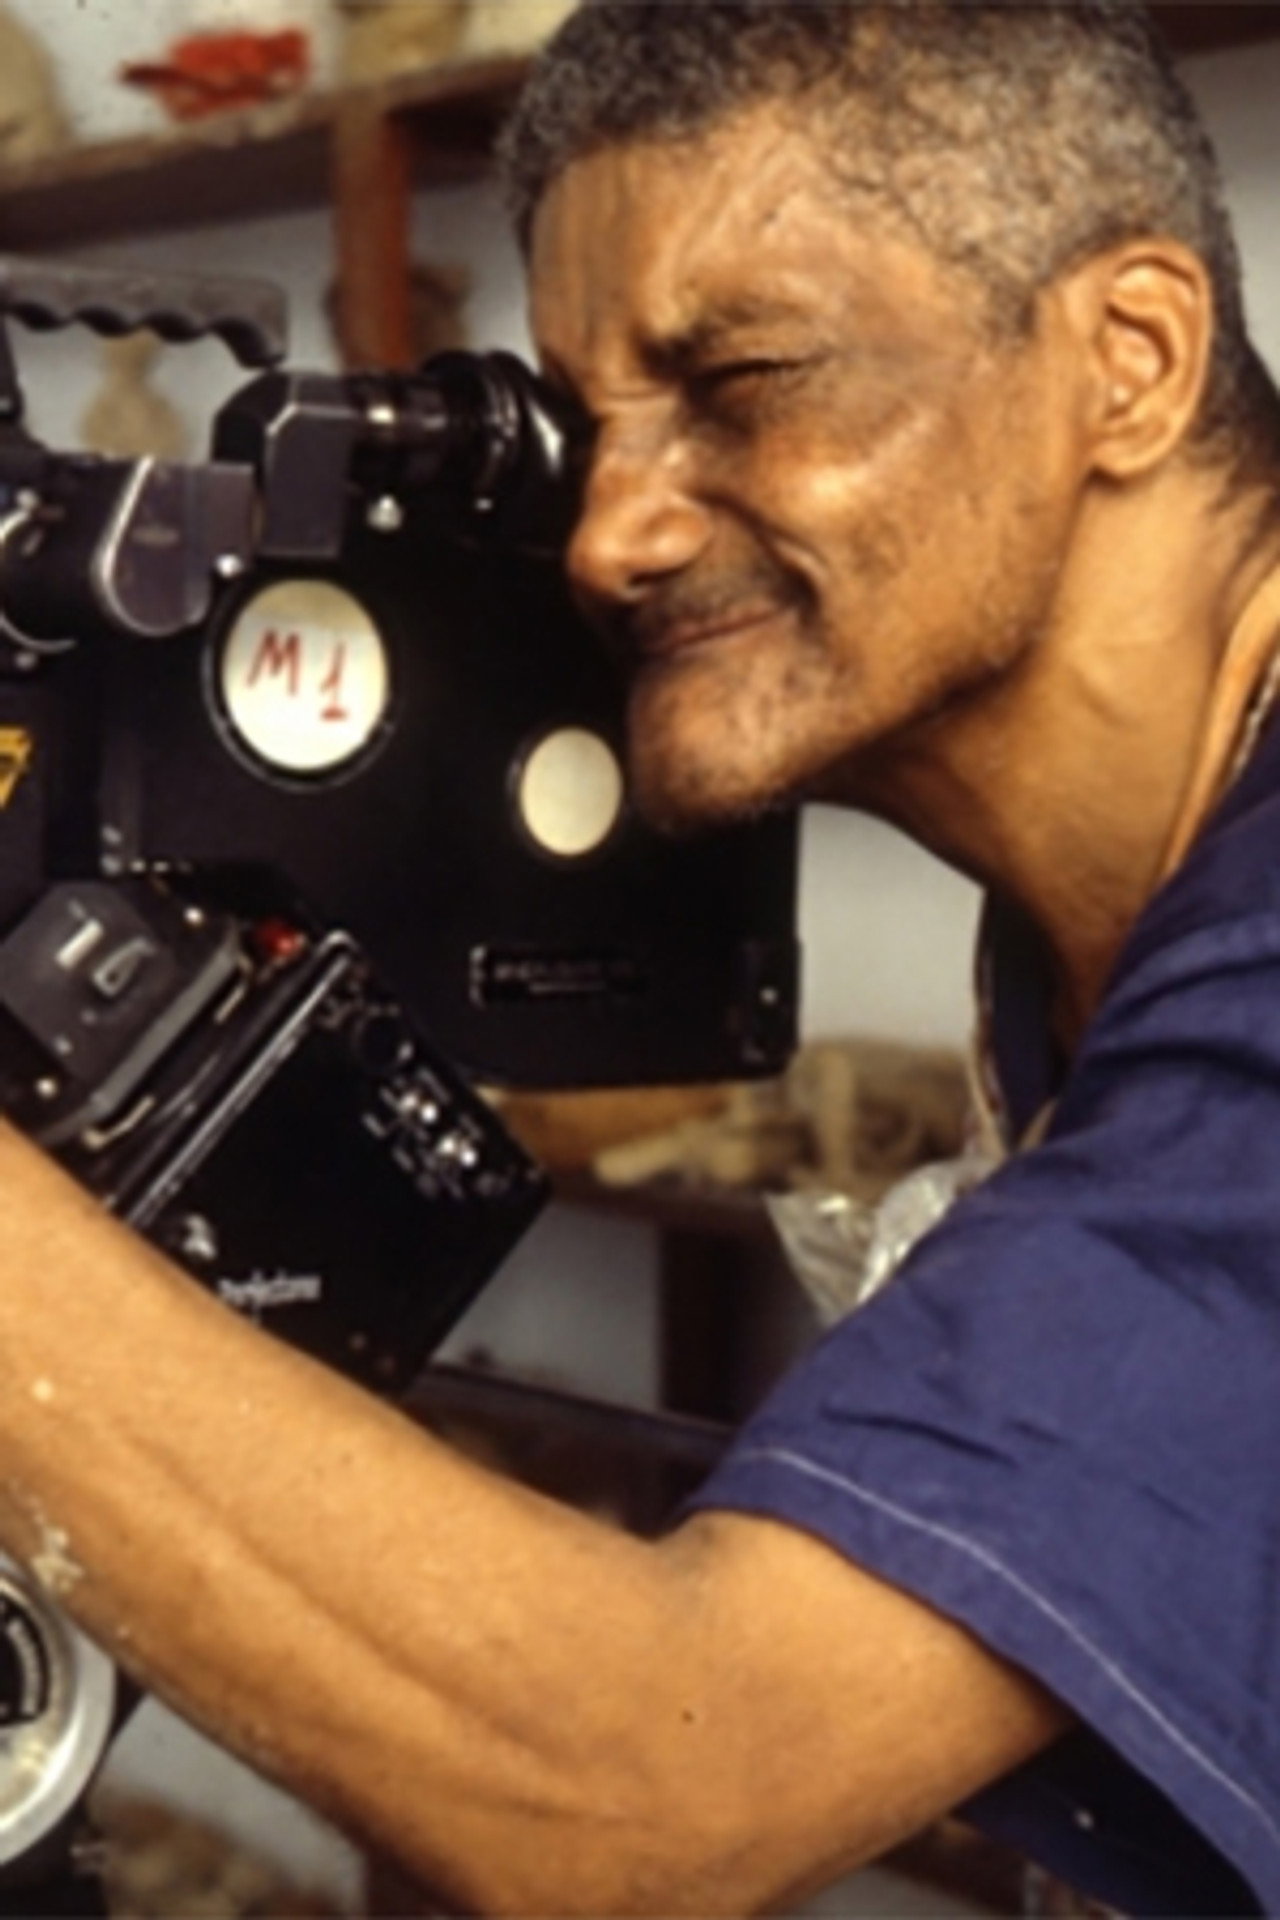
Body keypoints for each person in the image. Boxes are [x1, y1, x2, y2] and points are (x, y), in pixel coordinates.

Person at [0, 0, 1277, 1912]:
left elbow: (661, 1783)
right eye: (588, 428)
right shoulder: (1103, 894)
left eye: (745, 382)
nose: (609, 535)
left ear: (1132, 358)